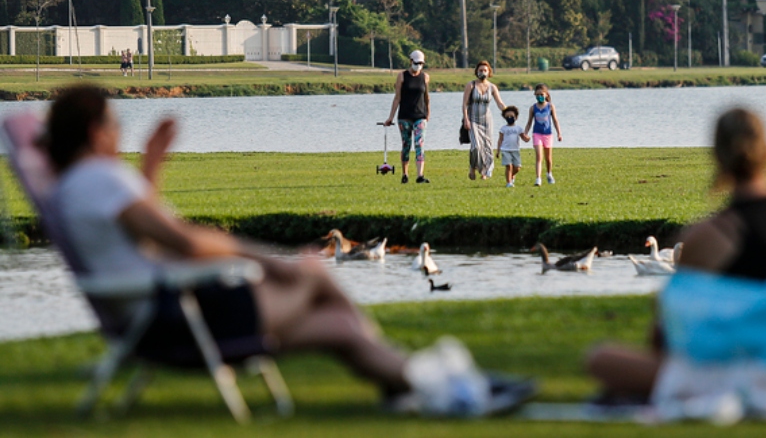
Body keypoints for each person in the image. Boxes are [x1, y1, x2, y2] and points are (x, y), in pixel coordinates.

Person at [42, 84, 526, 415]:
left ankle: (423, 387)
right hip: (179, 316)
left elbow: (138, 237)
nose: (118, 131)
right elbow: (181, 240)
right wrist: (263, 259)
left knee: (339, 326)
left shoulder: (79, 186)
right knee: (312, 272)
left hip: (164, 315)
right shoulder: (99, 178)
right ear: (94, 132)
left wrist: (149, 170)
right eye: (114, 122)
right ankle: (445, 387)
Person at [587, 108, 766, 402]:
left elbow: (670, 335)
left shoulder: (708, 236)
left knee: (600, 358)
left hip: (750, 376)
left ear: (717, 156)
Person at [383, 50, 431, 184]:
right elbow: (397, 98)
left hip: (420, 115)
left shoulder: (425, 77)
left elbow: (427, 97)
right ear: (411, 61)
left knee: (419, 144)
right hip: (404, 116)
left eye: (421, 63)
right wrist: (390, 117)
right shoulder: (402, 76)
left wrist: (428, 113)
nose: (418, 65)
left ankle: (420, 175)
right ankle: (405, 174)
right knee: (406, 144)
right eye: (416, 63)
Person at [461, 60, 506, 180]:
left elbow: (499, 103)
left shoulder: (492, 87)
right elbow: (465, 104)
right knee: (476, 146)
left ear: (489, 72)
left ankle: (485, 172)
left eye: (485, 70)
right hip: (473, 119)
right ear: (476, 71)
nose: (483, 72)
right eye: (480, 70)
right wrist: (466, 119)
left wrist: (506, 111)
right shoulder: (471, 85)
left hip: (487, 120)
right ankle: (473, 166)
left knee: (487, 146)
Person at [521, 83, 562, 186]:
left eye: (541, 94)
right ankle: (538, 178)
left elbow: (555, 120)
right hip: (537, 134)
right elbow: (529, 122)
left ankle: (549, 174)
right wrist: (525, 133)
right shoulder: (533, 108)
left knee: (548, 158)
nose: (539, 96)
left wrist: (559, 133)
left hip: (548, 134)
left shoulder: (550, 106)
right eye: (537, 94)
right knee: (539, 157)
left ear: (546, 94)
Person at [497, 106, 528, 188]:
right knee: (509, 166)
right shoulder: (503, 129)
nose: (509, 118)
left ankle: (510, 176)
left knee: (517, 167)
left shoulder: (518, 128)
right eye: (507, 117)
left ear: (516, 117)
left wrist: (527, 138)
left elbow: (523, 137)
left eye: (512, 116)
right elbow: (500, 140)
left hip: (515, 150)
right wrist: (498, 151)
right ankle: (508, 182)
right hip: (505, 150)